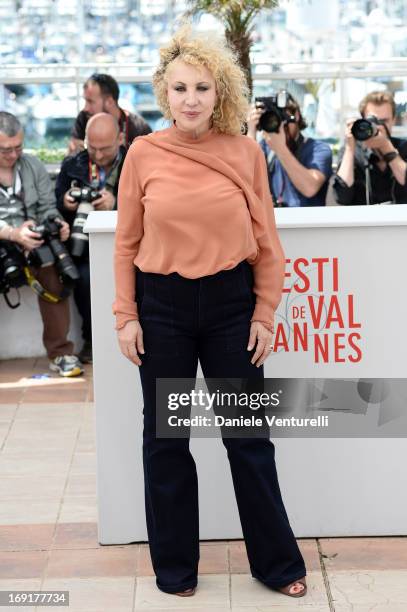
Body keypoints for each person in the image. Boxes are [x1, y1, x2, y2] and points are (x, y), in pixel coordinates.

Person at [113, 27, 307, 599]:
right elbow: (126, 244)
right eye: (180, 88)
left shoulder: (246, 153)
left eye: (201, 87)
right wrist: (127, 315)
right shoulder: (143, 154)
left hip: (231, 306)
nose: (191, 98)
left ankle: (276, 565)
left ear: (219, 93)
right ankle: (175, 571)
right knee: (167, 441)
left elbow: (266, 241)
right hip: (163, 309)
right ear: (163, 95)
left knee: (248, 439)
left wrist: (264, 312)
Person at [0, 111, 82, 377]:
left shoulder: (32, 165)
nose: (13, 155)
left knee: (57, 272)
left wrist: (58, 223)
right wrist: (13, 234)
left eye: (18, 148)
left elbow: (48, 207)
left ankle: (61, 353)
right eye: (5, 150)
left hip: (33, 241)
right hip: (5, 239)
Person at [56, 113, 126, 363]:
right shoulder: (74, 164)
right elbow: (56, 204)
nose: (97, 155)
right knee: (83, 280)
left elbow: (151, 201)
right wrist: (66, 203)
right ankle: (91, 340)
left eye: (104, 149)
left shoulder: (134, 162)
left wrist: (116, 203)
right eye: (91, 147)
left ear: (120, 138)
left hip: (127, 243)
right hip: (83, 246)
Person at [247, 92, 332, 207]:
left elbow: (310, 188)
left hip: (308, 222)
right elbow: (246, 178)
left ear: (296, 116)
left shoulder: (318, 149)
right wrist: (251, 131)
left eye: (284, 122)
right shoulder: (264, 147)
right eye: (272, 121)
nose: (280, 127)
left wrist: (280, 149)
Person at [333, 90, 407, 205]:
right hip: (363, 221)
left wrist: (387, 148)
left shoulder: (404, 147)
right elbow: (342, 196)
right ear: (362, 120)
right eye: (373, 121)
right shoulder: (353, 151)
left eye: (384, 121)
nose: (378, 126)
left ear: (394, 120)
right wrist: (350, 148)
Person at [68, 73, 152, 154]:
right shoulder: (84, 118)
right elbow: (73, 155)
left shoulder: (139, 129)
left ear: (110, 102)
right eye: (85, 100)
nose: (85, 108)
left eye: (90, 101)